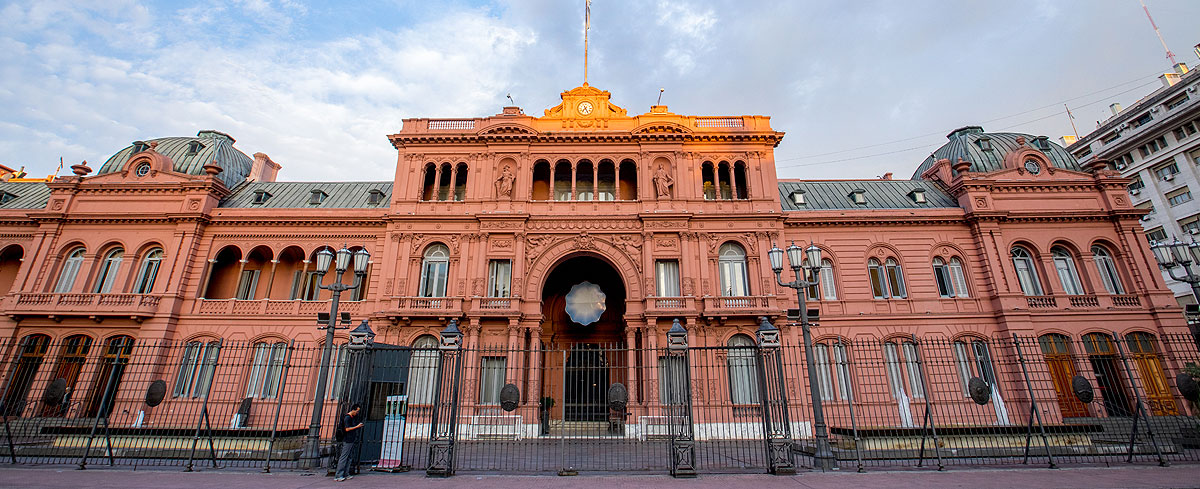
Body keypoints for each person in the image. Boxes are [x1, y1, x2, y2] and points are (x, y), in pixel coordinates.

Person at [335, 403, 364, 482]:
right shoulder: (347, 418)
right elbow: (347, 429)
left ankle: (346, 473)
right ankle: (338, 475)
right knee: (344, 457)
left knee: (349, 457)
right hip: (347, 439)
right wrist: (357, 426)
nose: (357, 413)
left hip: (351, 439)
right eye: (357, 411)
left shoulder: (352, 417)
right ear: (353, 410)